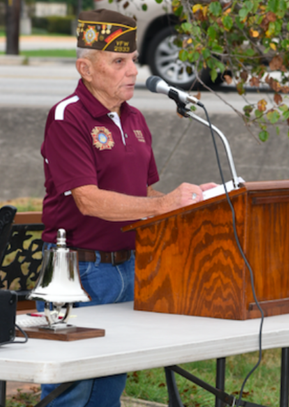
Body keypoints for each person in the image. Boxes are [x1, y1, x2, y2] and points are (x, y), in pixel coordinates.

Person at [39, 9, 214, 407]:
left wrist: (189, 203)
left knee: (108, 385)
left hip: (127, 266)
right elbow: (88, 198)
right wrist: (161, 205)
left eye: (133, 59)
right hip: (78, 271)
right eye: (119, 61)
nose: (133, 70)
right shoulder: (68, 117)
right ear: (86, 67)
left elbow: (145, 192)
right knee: (71, 387)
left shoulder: (134, 119)